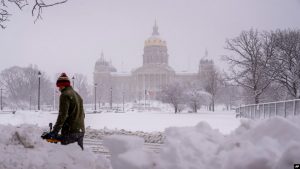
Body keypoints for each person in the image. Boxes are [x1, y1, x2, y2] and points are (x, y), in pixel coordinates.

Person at [48, 73, 85, 150]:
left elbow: (63, 115)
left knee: (68, 158)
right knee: (79, 157)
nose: (59, 89)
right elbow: (83, 114)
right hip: (80, 131)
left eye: (59, 86)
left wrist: (55, 131)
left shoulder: (64, 95)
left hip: (70, 132)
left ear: (62, 85)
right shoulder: (77, 95)